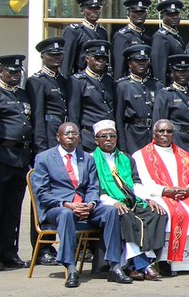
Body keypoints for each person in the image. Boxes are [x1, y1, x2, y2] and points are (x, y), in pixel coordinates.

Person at [30, 121, 128, 287]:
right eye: (67, 134)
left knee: (111, 211)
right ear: (58, 137)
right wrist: (67, 204)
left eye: (74, 134)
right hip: (57, 208)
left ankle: (114, 265)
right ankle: (71, 266)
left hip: (84, 206)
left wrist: (90, 204)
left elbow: (92, 187)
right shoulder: (44, 158)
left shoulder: (87, 159)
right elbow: (42, 193)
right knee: (66, 214)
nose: (71, 137)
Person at [132, 119, 189, 276]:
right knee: (173, 213)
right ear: (154, 133)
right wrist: (165, 190)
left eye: (169, 131)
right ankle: (164, 262)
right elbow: (141, 183)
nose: (165, 135)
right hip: (159, 195)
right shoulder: (141, 156)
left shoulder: (185, 155)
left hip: (184, 196)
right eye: (161, 131)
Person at [90, 120, 167, 282]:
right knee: (124, 215)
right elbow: (94, 189)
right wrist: (113, 202)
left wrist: (148, 199)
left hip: (131, 201)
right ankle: (141, 264)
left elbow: (136, 183)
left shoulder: (126, 158)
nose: (109, 139)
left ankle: (137, 264)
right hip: (106, 204)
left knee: (158, 213)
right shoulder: (91, 160)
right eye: (104, 136)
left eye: (112, 136)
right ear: (96, 140)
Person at [0, 53, 33, 271]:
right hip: (1, 154)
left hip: (21, 158)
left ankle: (9, 251)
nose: (14, 76)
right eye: (10, 72)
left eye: (17, 72)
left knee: (13, 209)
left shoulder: (22, 95)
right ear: (0, 72)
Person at [28, 36, 69, 265]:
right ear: (43, 56)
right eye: (52, 55)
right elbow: (37, 117)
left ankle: (63, 243)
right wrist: (41, 150)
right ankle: (42, 247)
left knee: (63, 194)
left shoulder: (63, 80)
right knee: (43, 197)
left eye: (60, 55)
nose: (57, 58)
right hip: (47, 139)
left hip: (63, 139)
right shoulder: (37, 81)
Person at [67, 39, 116, 152]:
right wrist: (77, 141)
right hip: (89, 137)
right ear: (87, 58)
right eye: (97, 58)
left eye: (104, 59)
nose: (101, 62)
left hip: (109, 138)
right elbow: (74, 114)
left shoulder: (108, 79)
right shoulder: (78, 81)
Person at [115, 44, 158, 153]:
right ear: (129, 63)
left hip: (153, 136)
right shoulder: (123, 86)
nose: (141, 64)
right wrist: (122, 146)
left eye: (144, 61)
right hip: (133, 136)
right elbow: (119, 118)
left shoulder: (157, 85)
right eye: (137, 61)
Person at [152, 54, 189, 152]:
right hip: (175, 141)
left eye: (186, 71)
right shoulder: (165, 94)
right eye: (179, 71)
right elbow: (159, 121)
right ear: (172, 72)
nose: (183, 74)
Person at [61, 0, 108, 78]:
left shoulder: (102, 32)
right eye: (90, 8)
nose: (95, 11)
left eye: (97, 8)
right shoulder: (74, 31)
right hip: (80, 78)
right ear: (82, 11)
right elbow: (67, 61)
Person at [112, 0, 152, 80]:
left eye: (142, 11)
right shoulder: (122, 35)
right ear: (128, 14)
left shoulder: (146, 37)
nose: (139, 14)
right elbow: (119, 66)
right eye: (136, 12)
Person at [150, 0, 185, 85]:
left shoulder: (175, 35)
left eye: (177, 14)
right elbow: (159, 68)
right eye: (170, 15)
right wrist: (162, 90)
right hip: (169, 84)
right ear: (163, 16)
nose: (175, 17)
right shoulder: (160, 37)